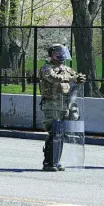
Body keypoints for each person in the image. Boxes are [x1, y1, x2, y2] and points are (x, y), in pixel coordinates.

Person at [39, 43, 86, 172]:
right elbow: (54, 78)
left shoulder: (67, 69)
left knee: (60, 133)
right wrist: (72, 78)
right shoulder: (46, 68)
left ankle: (56, 160)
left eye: (62, 53)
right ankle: (48, 162)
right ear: (51, 55)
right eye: (58, 53)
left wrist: (80, 78)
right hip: (51, 104)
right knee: (53, 132)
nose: (61, 56)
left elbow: (76, 77)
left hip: (65, 104)